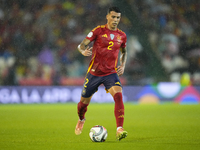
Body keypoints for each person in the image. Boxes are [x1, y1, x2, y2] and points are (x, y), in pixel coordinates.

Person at [75, 6, 128, 141]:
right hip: (94, 73)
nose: (115, 20)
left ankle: (119, 129)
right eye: (113, 17)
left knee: (118, 95)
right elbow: (82, 45)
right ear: (107, 17)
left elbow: (124, 52)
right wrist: (83, 51)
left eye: (118, 17)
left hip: (110, 73)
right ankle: (81, 119)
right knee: (83, 104)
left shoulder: (122, 35)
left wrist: (123, 65)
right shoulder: (98, 31)